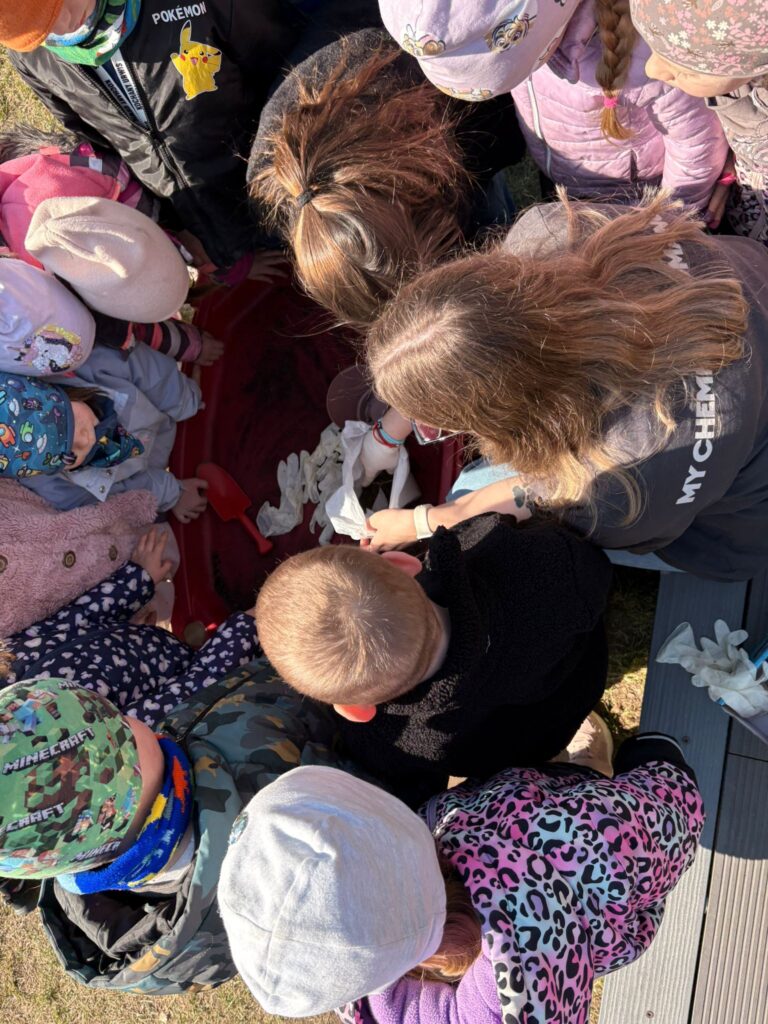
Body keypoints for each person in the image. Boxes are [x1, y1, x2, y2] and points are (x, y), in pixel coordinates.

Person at [362, 194, 768, 582]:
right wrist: (387, 433)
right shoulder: (548, 230)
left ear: (513, 409)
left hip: (732, 530)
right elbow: (462, 337)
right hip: (756, 285)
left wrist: (424, 522)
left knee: (470, 493)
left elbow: (560, 492)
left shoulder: (621, 483)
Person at [218, 734, 704, 1023]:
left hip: (566, 945)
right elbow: (669, 813)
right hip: (593, 855)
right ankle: (589, 763)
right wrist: (654, 754)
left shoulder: (351, 963)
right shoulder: (575, 847)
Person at [0, 668, 356, 992]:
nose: (132, 718)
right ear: (122, 794)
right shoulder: (262, 806)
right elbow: (360, 804)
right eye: (122, 726)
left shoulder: (108, 875)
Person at [255, 512, 612, 805]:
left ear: (355, 710)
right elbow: (593, 567)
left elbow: (419, 788)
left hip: (534, 745)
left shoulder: (385, 740)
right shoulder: (510, 554)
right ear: (403, 561)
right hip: (579, 678)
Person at [0, 0, 302, 281]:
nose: (65, 25)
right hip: (201, 218)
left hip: (281, 178)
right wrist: (183, 229)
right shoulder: (32, 56)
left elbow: (286, 69)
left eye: (59, 4)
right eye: (41, 30)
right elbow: (99, 143)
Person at [249, 28, 525, 324]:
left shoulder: (413, 82)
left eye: (445, 243)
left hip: (439, 120)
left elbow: (497, 124)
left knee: (491, 214)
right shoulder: (288, 200)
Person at [1, 528, 258, 725]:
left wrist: (138, 578)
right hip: (192, 665)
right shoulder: (60, 728)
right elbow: (179, 701)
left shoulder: (7, 662)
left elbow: (70, 620)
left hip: (142, 637)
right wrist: (243, 633)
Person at [0, 353, 207, 522]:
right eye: (67, 456)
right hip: (152, 471)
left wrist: (187, 400)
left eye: (71, 422)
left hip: (166, 411)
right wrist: (175, 494)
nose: (85, 441)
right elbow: (122, 496)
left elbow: (146, 371)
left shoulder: (87, 366)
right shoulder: (57, 489)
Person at [631, 0, 768, 241]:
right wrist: (732, 165)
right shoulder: (739, 63)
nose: (652, 70)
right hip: (745, 207)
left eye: (686, 71)